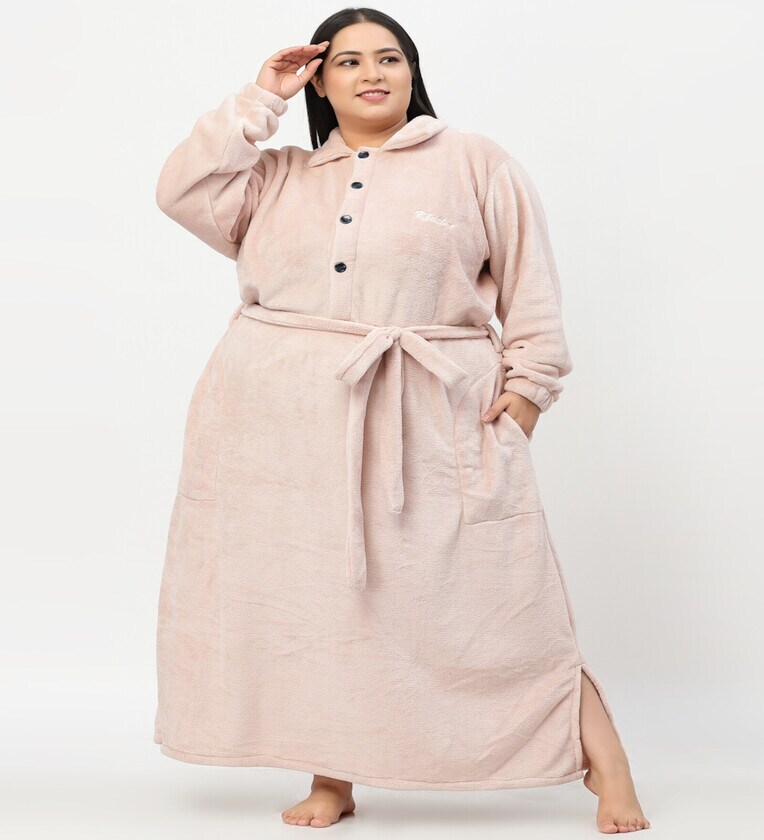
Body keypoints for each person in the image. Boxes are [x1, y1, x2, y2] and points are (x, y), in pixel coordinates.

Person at [153, 7, 651, 834]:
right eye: (347, 61)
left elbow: (531, 291)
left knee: (499, 600)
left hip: (435, 410)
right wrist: (260, 97)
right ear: (318, 80)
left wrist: (525, 399)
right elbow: (180, 190)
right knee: (323, 601)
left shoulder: (475, 162)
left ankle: (608, 764)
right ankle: (334, 776)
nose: (371, 73)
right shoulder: (276, 177)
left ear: (413, 72)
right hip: (279, 424)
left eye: (389, 58)